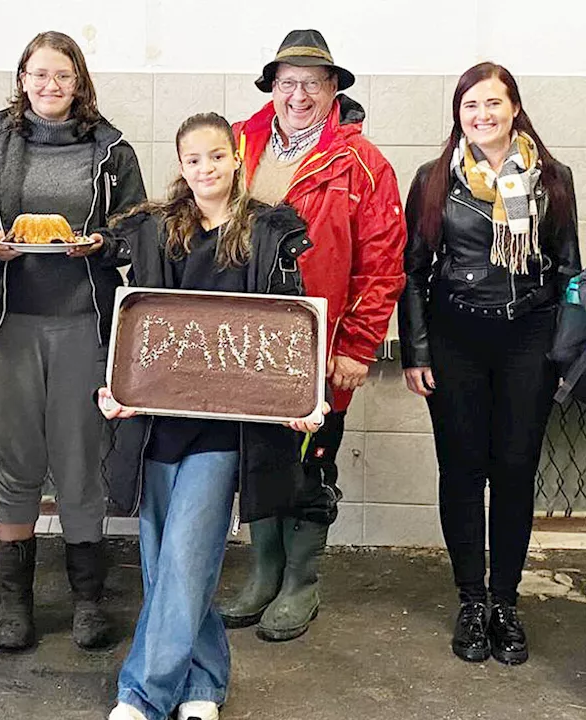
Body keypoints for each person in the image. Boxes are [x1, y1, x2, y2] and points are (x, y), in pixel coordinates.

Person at [100, 112, 319, 720]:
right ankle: (202, 684)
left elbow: (287, 330)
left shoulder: (267, 236)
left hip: (226, 430)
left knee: (188, 554)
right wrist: (114, 387)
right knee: (165, 562)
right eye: (193, 159)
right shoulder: (154, 235)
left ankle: (142, 693)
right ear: (180, 165)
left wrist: (299, 400)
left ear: (237, 158)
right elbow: (130, 325)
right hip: (156, 425)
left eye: (216, 157)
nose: (205, 170)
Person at [0, 30, 146, 652]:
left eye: (62, 75)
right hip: (10, 325)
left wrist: (101, 245)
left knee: (79, 458)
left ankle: (88, 600)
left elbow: (137, 231)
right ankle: (16, 603)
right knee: (17, 459)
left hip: (83, 322)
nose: (50, 86)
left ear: (79, 82)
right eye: (39, 75)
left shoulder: (111, 150)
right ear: (22, 78)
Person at [220, 28, 406, 642]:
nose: (298, 94)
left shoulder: (363, 163)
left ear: (332, 90)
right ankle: (263, 571)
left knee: (310, 464)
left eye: (312, 83)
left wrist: (357, 346)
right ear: (272, 87)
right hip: (247, 347)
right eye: (288, 82)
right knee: (257, 460)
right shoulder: (238, 145)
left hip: (323, 349)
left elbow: (383, 262)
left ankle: (301, 580)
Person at [399, 63, 580, 666]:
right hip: (455, 340)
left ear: (515, 108)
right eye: (470, 105)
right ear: (458, 113)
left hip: (529, 339)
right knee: (462, 469)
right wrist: (416, 351)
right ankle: (471, 601)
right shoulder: (431, 182)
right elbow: (414, 273)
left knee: (513, 470)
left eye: (493, 103)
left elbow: (569, 271)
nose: (482, 115)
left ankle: (506, 602)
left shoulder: (554, 180)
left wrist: (565, 350)